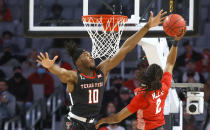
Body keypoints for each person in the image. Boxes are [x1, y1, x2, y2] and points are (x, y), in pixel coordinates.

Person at [37, 10, 167, 130]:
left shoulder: (102, 70)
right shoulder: (74, 76)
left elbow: (125, 48)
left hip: (92, 123)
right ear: (78, 62)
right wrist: (50, 67)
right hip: (74, 123)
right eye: (85, 55)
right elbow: (61, 73)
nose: (90, 56)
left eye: (89, 53)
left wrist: (147, 27)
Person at [96, 30, 186, 130]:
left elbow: (118, 117)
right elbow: (170, 63)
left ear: (146, 77)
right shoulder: (164, 86)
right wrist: (176, 42)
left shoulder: (141, 97)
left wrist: (102, 121)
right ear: (160, 77)